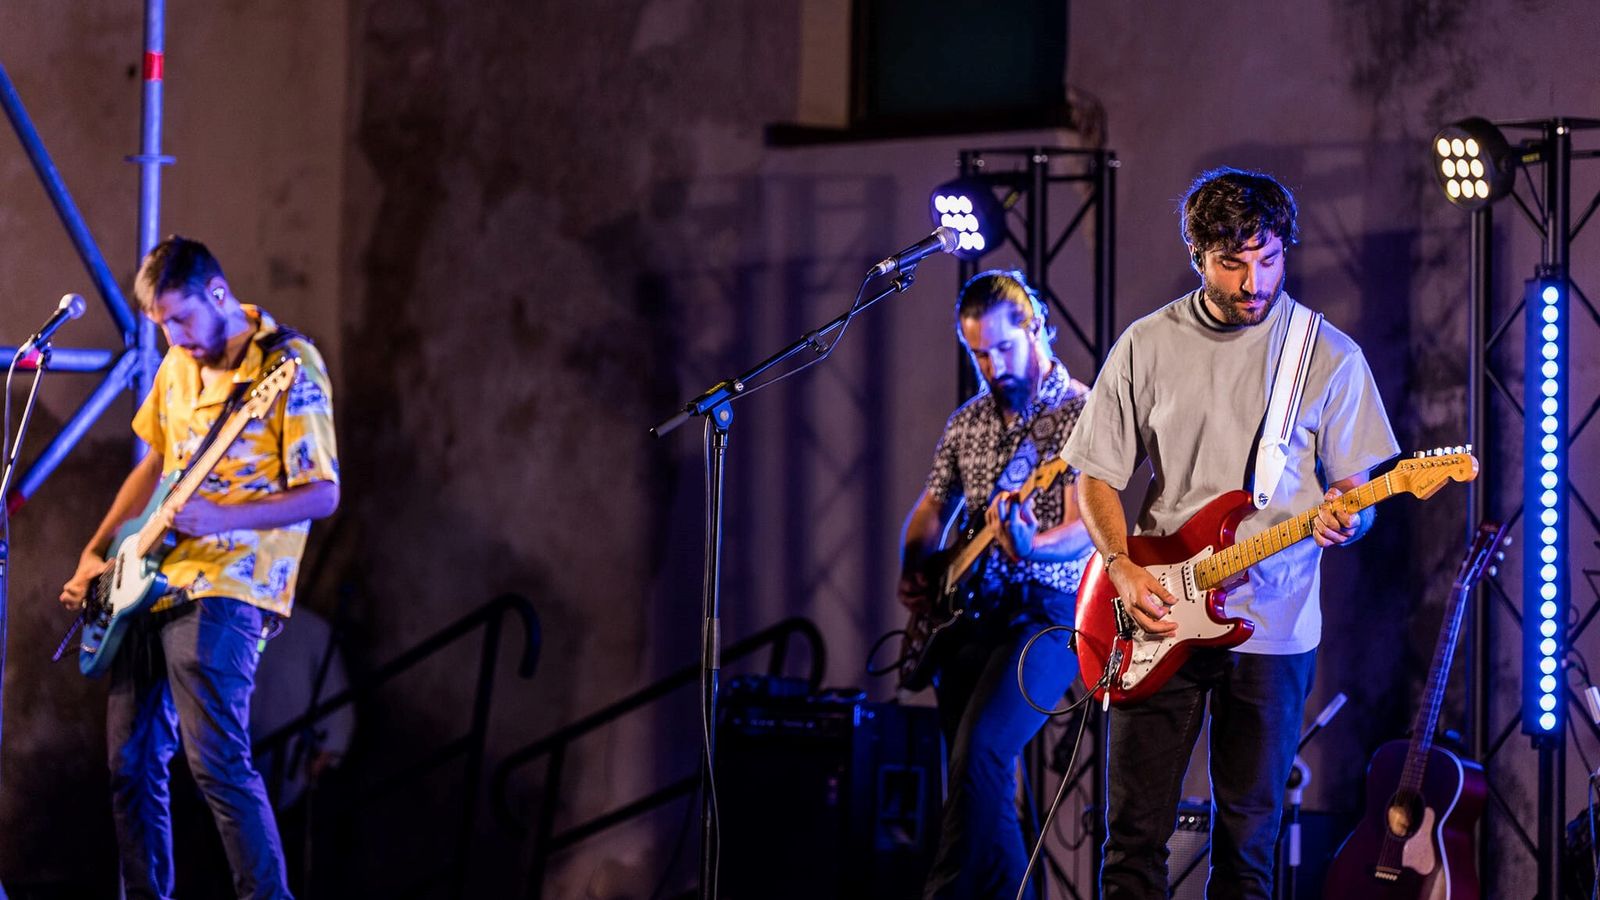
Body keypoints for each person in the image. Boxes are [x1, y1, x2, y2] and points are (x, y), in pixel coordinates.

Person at [1062, 168, 1399, 899]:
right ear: (1197, 254)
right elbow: (1094, 476)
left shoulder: (1329, 356)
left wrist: (1354, 515)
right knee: (1131, 848)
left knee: (1248, 854)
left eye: (1269, 260)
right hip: (1156, 610)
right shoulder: (1146, 345)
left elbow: (1358, 491)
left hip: (1274, 630)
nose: (1254, 283)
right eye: (1233, 263)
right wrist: (1119, 564)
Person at [60, 236, 340, 899]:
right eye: (163, 325)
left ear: (218, 294)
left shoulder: (289, 366)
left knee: (215, 760)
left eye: (182, 319)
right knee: (128, 762)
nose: (176, 337)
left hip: (229, 582)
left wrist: (222, 519)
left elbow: (324, 493)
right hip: (148, 580)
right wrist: (96, 549)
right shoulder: (177, 369)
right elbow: (153, 466)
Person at [898, 270, 1095, 900]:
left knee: (981, 751)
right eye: (977, 351)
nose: (991, 364)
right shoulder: (968, 423)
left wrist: (1032, 545)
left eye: (1002, 349)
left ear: (1034, 328)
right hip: (973, 618)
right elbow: (933, 506)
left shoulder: (1081, 413)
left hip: (1052, 617)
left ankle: (942, 892)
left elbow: (1089, 528)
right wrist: (915, 564)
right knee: (977, 777)